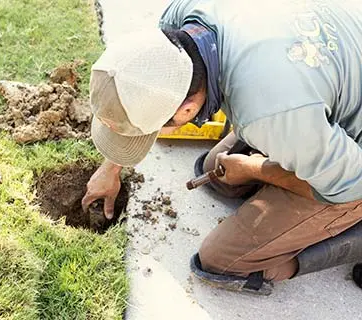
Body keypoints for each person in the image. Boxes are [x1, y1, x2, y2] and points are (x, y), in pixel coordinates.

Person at [82, 0, 362, 295]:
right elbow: (148, 84)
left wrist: (255, 169)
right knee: (214, 170)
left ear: (188, 111)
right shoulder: (183, 17)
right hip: (323, 76)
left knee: (222, 260)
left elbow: (352, 184)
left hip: (352, 168)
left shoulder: (267, 115)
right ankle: (303, 160)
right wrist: (110, 168)